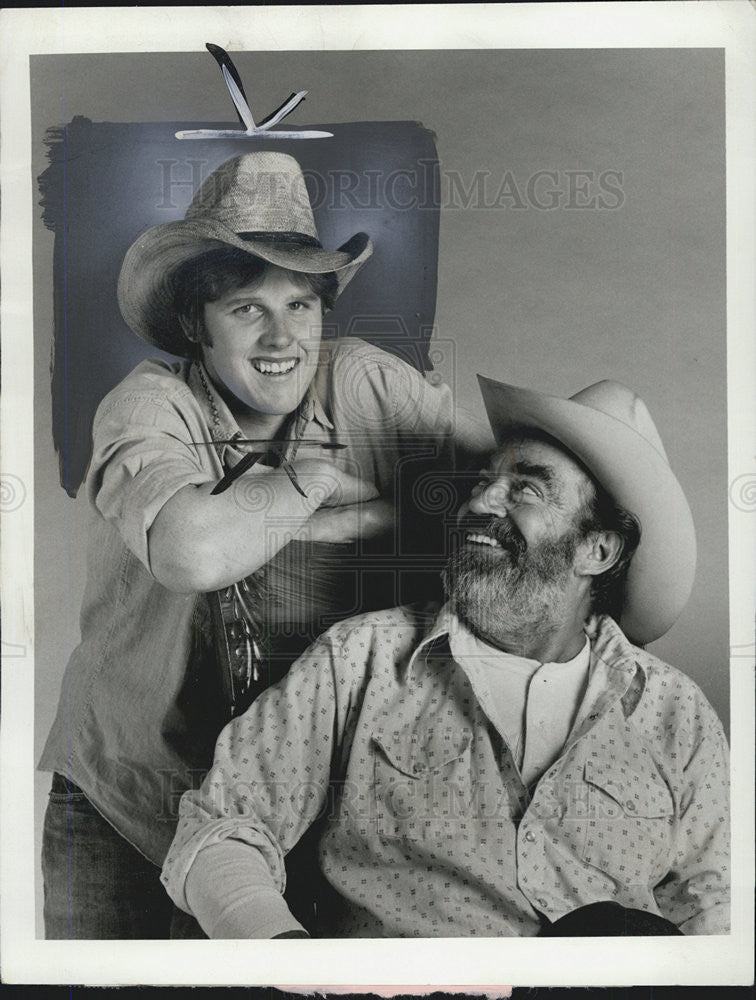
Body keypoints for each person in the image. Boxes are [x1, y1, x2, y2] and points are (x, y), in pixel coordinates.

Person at [39, 151, 490, 938]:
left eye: (301, 306)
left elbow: (488, 521)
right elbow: (192, 555)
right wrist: (311, 484)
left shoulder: (365, 384)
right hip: (129, 788)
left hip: (291, 793)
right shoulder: (148, 406)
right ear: (194, 325)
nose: (283, 337)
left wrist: (357, 524)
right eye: (247, 308)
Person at [161, 376, 730, 938]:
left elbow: (713, 909)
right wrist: (284, 960)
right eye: (484, 482)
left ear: (596, 550)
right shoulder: (360, 660)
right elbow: (223, 828)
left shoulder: (674, 711)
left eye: (525, 489)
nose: (481, 500)